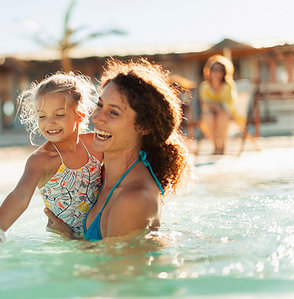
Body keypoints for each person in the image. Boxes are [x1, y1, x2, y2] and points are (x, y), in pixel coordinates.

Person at [45, 58, 190, 241]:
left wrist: (69, 238)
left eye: (114, 112)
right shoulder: (99, 174)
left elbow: (114, 269)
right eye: (100, 105)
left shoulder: (133, 200)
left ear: (144, 127)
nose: (97, 118)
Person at [0, 72, 103, 237]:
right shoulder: (41, 160)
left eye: (59, 114)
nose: (50, 122)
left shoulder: (94, 144)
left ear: (80, 114)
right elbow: (19, 196)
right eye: (42, 116)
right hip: (65, 243)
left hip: (98, 236)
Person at [198, 55, 242, 155]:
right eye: (214, 69)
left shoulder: (229, 86)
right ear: (209, 71)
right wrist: (217, 106)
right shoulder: (204, 86)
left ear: (224, 72)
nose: (216, 72)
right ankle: (216, 146)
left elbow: (230, 104)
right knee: (209, 116)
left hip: (227, 115)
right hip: (210, 115)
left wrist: (215, 106)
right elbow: (205, 104)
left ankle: (222, 145)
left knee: (222, 115)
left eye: (220, 70)